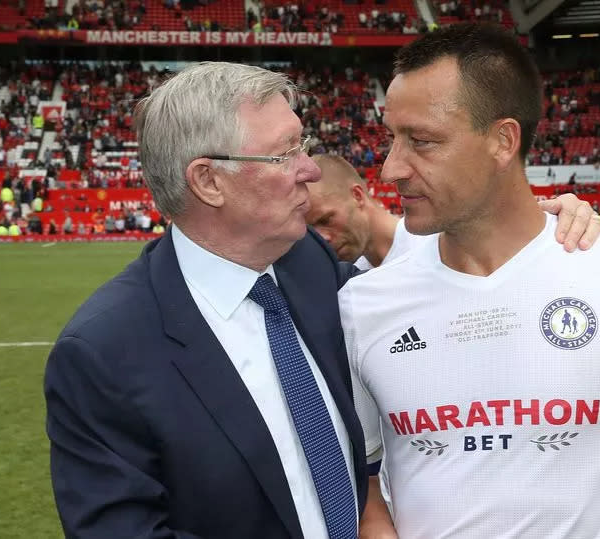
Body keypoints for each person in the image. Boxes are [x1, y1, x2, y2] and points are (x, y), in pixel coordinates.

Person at [340, 24, 600, 539]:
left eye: (421, 141)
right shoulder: (362, 305)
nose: (390, 168)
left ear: (503, 140)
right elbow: (360, 484)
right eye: (391, 138)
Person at [44, 62, 367, 539]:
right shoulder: (102, 355)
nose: (311, 169)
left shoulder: (309, 261)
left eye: (304, 145)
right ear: (209, 181)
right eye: (285, 154)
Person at [305, 155, 600, 270]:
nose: (322, 237)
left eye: (325, 219)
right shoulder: (345, 283)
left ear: (358, 195)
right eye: (310, 229)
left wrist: (560, 218)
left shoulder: (447, 244)